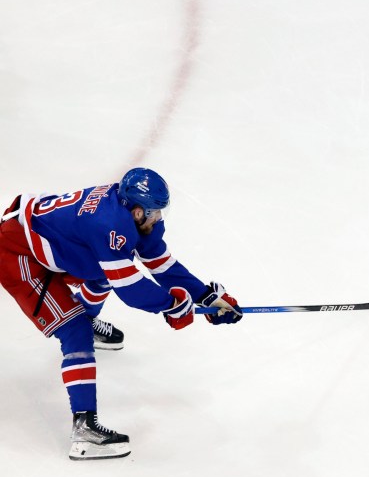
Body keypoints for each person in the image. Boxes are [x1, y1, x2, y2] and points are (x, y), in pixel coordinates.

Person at [0, 168, 242, 460]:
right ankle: (84, 431)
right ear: (138, 212)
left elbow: (160, 262)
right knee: (74, 330)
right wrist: (171, 305)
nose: (159, 218)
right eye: (155, 212)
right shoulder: (108, 224)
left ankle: (88, 321)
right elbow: (130, 288)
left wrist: (206, 296)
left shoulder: (133, 216)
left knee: (104, 273)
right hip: (17, 253)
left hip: (54, 241)